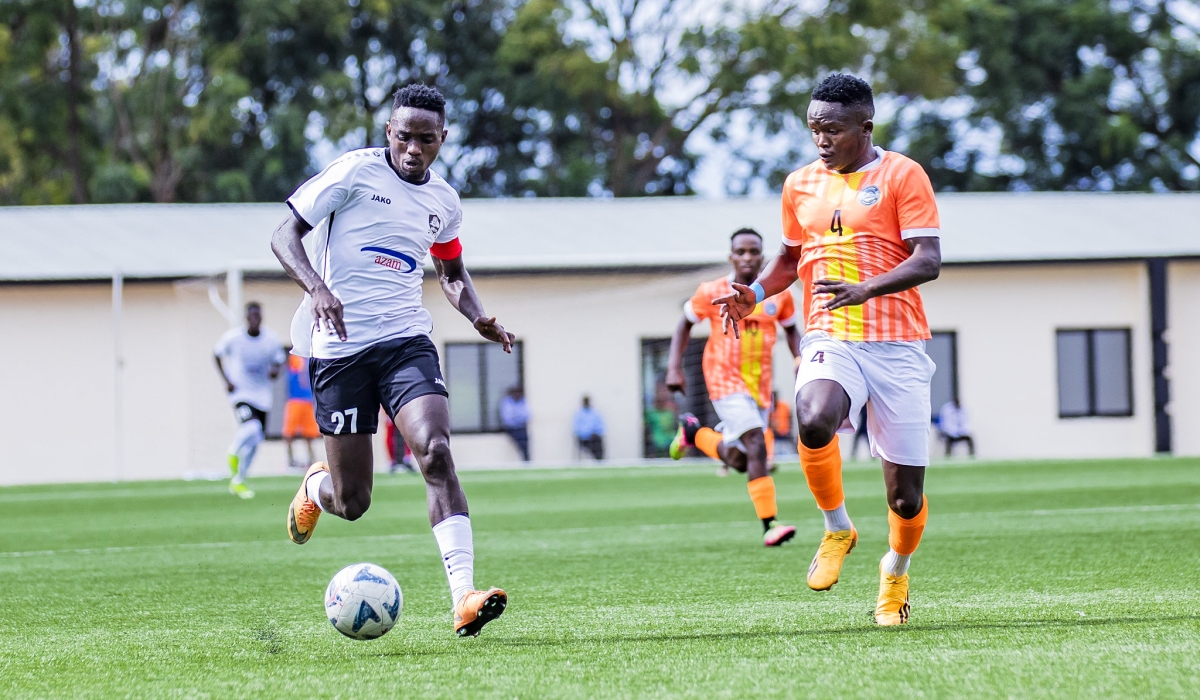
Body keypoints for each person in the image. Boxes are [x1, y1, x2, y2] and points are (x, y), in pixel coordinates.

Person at [271, 84, 512, 637]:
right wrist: (317, 288)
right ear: (388, 133)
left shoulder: (444, 203)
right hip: (340, 347)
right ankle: (315, 488)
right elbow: (285, 234)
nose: (413, 149)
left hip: (405, 341)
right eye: (404, 136)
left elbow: (451, 274)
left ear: (442, 140)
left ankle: (464, 596)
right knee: (353, 503)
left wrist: (478, 317)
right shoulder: (353, 173)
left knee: (436, 450)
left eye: (426, 139)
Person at [715, 74, 942, 626]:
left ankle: (895, 572)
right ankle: (837, 526)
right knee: (814, 419)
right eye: (814, 128)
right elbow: (791, 260)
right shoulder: (799, 185)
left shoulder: (902, 174)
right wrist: (757, 292)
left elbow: (929, 259)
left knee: (906, 498)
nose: (821, 139)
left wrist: (866, 287)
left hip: (898, 344)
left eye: (833, 129)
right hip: (830, 332)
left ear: (865, 127)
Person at [665, 227, 803, 547]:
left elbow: (793, 330)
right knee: (756, 443)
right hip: (723, 379)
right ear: (731, 257)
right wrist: (674, 367)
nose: (747, 257)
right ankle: (770, 524)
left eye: (753, 251)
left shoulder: (777, 295)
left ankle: (694, 433)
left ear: (763, 256)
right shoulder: (711, 291)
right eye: (740, 252)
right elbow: (684, 323)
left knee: (742, 460)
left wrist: (800, 358)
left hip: (759, 386)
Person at [214, 302, 285, 499]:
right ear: (246, 317)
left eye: (258, 315)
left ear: (261, 317)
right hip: (241, 393)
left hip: (263, 396)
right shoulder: (234, 338)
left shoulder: (270, 339)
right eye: (251, 315)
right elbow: (217, 354)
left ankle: (238, 481)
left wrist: (274, 372)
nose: (255, 319)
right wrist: (227, 380)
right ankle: (233, 451)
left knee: (256, 440)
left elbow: (278, 361)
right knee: (251, 428)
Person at [282, 354, 320, 471]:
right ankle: (291, 461)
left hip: (308, 400)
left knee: (309, 434)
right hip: (295, 400)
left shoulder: (312, 358)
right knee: (289, 433)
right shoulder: (294, 357)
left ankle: (311, 460)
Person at [498, 387, 530, 462]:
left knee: (525, 444)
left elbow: (527, 415)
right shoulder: (507, 402)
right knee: (520, 441)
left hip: (521, 427)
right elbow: (507, 417)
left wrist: (517, 416)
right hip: (511, 428)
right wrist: (518, 417)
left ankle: (526, 460)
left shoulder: (523, 401)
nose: (517, 394)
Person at [573, 396, 605, 460]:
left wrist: (595, 432)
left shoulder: (595, 413)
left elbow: (600, 427)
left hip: (594, 437)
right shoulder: (579, 414)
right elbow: (576, 428)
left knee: (597, 443)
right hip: (584, 439)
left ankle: (599, 460)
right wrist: (586, 433)